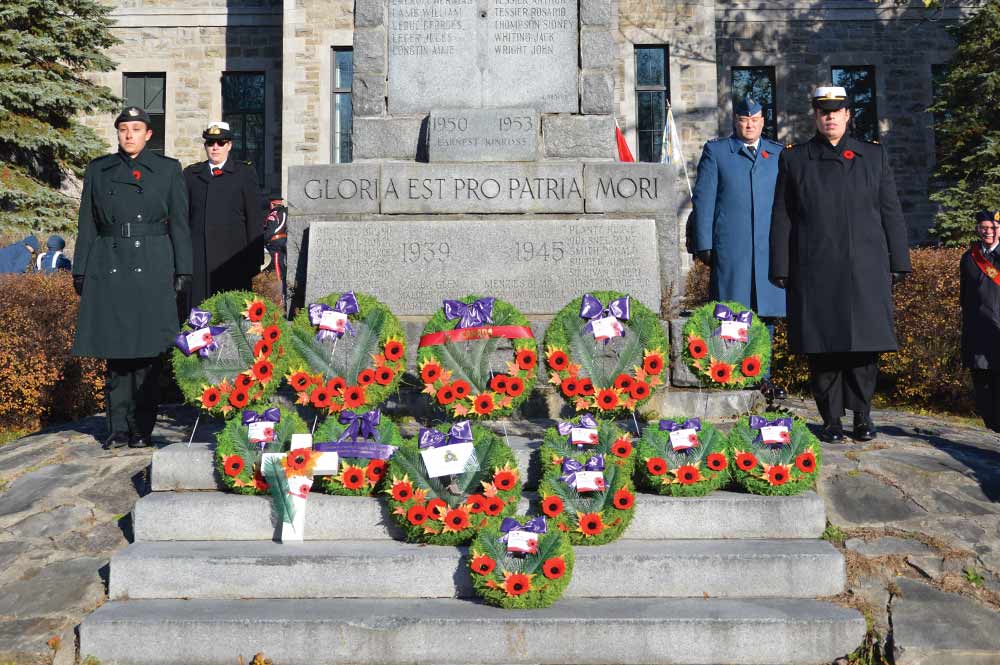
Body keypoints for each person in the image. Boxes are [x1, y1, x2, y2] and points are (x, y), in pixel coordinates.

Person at [769, 86, 911, 443]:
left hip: (865, 266)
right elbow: (782, 216)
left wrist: (900, 259)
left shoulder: (872, 156)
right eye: (823, 111)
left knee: (865, 346)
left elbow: (890, 210)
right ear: (815, 117)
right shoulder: (795, 159)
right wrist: (780, 266)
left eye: (837, 111)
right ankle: (831, 419)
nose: (830, 117)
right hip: (814, 267)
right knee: (823, 348)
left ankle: (863, 416)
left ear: (848, 115)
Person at [72, 106, 192, 449]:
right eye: (124, 129)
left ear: (148, 134)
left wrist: (183, 269)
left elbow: (180, 224)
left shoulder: (168, 170)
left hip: (153, 263)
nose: (129, 135)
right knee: (117, 353)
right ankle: (117, 428)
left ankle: (141, 428)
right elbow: (87, 224)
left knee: (149, 353)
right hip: (109, 262)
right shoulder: (99, 170)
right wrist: (81, 268)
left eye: (136, 129)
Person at [692, 95, 786, 319]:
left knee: (766, 316)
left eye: (754, 119)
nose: (749, 124)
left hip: (768, 251)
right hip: (732, 251)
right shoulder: (717, 152)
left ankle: (765, 356)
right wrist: (704, 243)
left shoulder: (778, 154)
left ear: (763, 121)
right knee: (730, 318)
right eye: (744, 119)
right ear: (735, 121)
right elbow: (704, 200)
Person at [183, 121, 264, 309]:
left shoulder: (244, 173)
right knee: (199, 312)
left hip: (233, 258)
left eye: (221, 143)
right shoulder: (191, 175)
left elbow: (254, 218)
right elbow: (184, 219)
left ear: (229, 145)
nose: (215, 148)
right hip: (199, 259)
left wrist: (255, 259)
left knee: (232, 314)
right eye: (210, 143)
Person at [960, 210, 1000, 432]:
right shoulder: (969, 258)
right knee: (981, 380)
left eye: (993, 228)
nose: (989, 232)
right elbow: (964, 296)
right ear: (978, 230)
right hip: (977, 329)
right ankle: (992, 425)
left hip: (998, 329)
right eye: (984, 228)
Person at [263, 197, 289, 309]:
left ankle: (279, 300)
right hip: (282, 243)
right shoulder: (285, 212)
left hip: (274, 245)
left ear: (272, 204)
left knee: (277, 272)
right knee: (280, 269)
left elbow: (269, 232)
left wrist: (262, 240)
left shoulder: (273, 214)